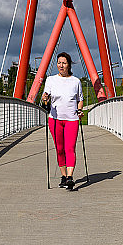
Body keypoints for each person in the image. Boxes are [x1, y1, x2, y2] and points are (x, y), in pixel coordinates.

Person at [42, 52, 83, 190]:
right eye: (59, 62)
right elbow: (45, 95)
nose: (61, 65)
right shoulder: (51, 80)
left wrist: (79, 110)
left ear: (69, 65)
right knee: (60, 149)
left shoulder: (76, 81)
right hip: (55, 119)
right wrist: (45, 98)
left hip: (72, 119)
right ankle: (64, 176)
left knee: (70, 148)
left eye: (64, 63)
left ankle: (70, 178)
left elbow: (80, 100)